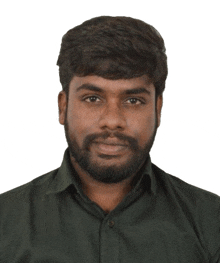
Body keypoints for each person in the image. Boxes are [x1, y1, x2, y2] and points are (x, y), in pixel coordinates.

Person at [0, 16, 219, 263]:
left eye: (133, 100)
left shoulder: (211, 223)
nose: (113, 120)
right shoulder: (5, 221)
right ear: (63, 107)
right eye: (93, 98)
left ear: (158, 109)